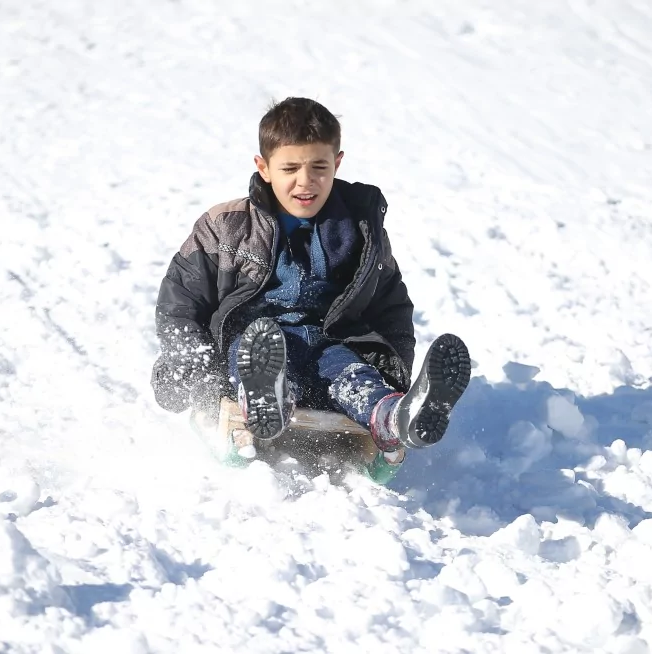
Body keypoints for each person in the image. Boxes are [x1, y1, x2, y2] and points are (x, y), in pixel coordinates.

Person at [150, 97, 471, 474]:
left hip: (330, 342)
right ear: (264, 168)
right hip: (256, 344)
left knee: (353, 376)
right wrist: (197, 368)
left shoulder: (359, 232)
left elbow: (391, 307)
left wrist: (393, 369)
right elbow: (180, 302)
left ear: (337, 163)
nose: (306, 181)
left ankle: (394, 417)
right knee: (253, 350)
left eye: (319, 166)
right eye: (290, 168)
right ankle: (270, 399)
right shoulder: (226, 226)